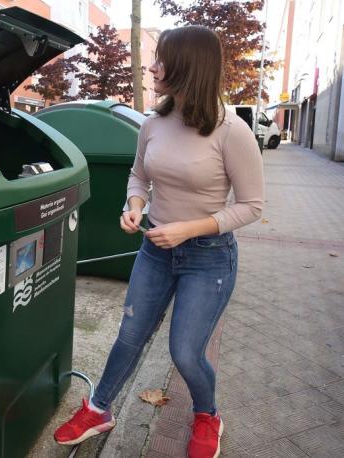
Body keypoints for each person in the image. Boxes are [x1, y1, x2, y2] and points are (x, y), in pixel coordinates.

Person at [53, 26, 264, 458]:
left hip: (208, 258)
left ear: (188, 67)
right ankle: (98, 409)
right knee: (129, 334)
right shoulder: (153, 122)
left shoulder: (231, 131)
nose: (152, 66)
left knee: (186, 352)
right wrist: (134, 205)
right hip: (154, 251)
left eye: (162, 59)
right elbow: (139, 176)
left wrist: (188, 229)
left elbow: (251, 206)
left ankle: (207, 415)